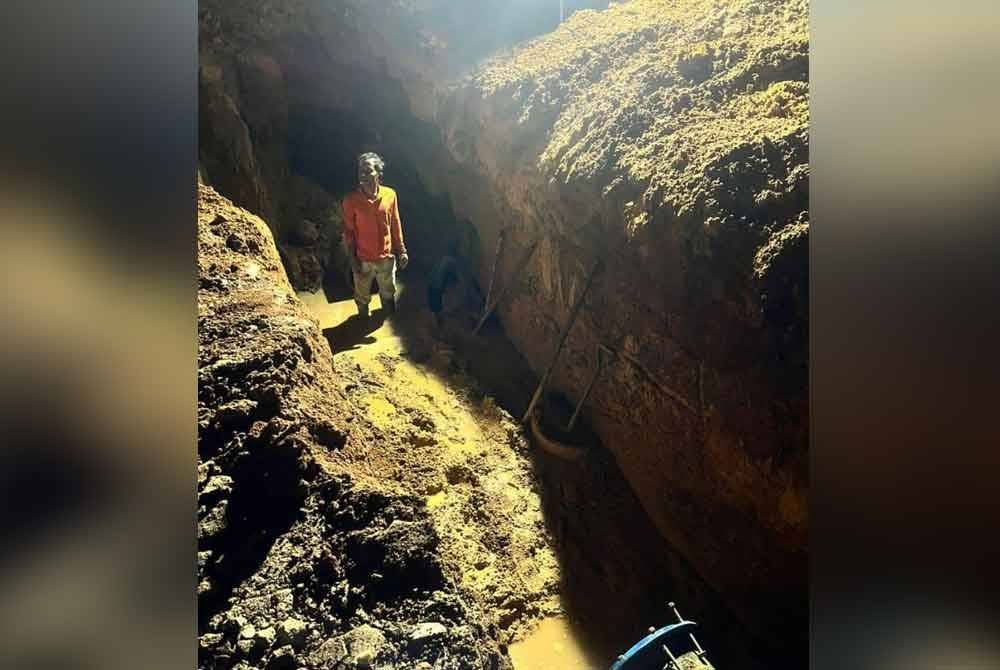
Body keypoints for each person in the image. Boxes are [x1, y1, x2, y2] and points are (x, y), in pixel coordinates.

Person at [341, 152, 409, 318]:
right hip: (363, 259)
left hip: (386, 257)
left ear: (378, 172)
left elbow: (395, 223)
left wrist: (402, 251)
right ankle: (362, 320)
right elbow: (348, 233)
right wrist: (352, 261)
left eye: (368, 170)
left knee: (388, 291)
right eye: (360, 171)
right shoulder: (351, 201)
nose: (363, 175)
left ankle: (387, 315)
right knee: (362, 294)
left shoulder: (390, 195)